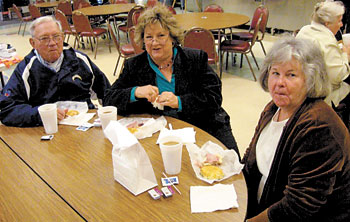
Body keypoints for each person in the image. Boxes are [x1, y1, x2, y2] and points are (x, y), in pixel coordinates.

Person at [103, 3, 240, 159]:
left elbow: (213, 98)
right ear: (142, 40)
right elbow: (108, 98)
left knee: (231, 162)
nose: (154, 42)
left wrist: (179, 101)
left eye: (161, 35)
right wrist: (135, 92)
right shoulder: (134, 66)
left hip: (205, 124)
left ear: (172, 37)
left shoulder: (195, 59)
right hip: (163, 134)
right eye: (149, 37)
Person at [242, 36, 350, 222]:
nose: (279, 82)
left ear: (310, 79)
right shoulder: (273, 108)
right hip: (267, 206)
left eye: (291, 75)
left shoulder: (319, 125)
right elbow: (251, 157)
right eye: (275, 73)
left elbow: (299, 205)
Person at [0, 16, 110, 127]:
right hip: (45, 128)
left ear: (62, 37)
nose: (52, 43)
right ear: (33, 43)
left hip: (84, 125)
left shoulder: (80, 60)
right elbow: (7, 110)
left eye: (56, 36)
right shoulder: (26, 69)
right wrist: (41, 114)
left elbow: (108, 94)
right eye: (44, 38)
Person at [296, 0, 350, 129]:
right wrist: (346, 54)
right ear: (327, 23)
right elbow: (338, 76)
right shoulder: (327, 42)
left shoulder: (304, 30)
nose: (342, 25)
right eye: (339, 21)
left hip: (302, 86)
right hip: (320, 93)